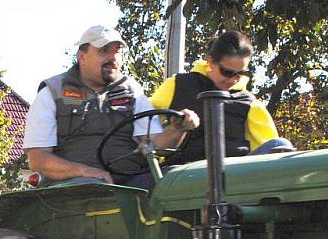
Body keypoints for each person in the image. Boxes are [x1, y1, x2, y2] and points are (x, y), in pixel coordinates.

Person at [22, 25, 199, 189]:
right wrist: (87, 172)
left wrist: (177, 129)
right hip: (75, 189)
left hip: (131, 182)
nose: (112, 58)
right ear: (81, 57)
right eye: (103, 51)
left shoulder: (132, 91)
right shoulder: (53, 92)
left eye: (117, 51)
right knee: (93, 187)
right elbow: (38, 159)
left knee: (182, 181)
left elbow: (155, 146)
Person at [151, 31, 291, 166]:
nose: (233, 80)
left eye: (240, 73)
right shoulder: (178, 85)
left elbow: (270, 153)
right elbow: (144, 127)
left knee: (280, 145)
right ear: (211, 61)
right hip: (186, 175)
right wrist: (176, 128)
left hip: (233, 176)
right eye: (227, 72)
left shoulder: (249, 104)